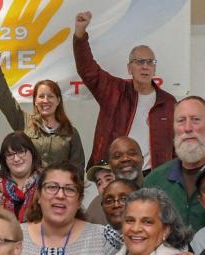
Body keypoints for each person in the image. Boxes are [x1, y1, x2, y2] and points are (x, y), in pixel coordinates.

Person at [73, 10, 175, 169]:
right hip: (115, 172)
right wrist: (80, 35)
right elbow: (88, 70)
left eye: (150, 62)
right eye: (139, 62)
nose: (145, 66)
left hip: (153, 176)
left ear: (155, 69)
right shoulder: (114, 91)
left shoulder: (168, 102)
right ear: (129, 68)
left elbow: (175, 144)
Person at [143, 96, 205, 232]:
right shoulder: (153, 181)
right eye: (181, 121)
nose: (188, 128)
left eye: (196, 120)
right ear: (173, 128)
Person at [0, 49, 85, 167]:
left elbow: (77, 170)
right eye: (41, 96)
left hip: (57, 185)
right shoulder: (24, 121)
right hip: (28, 185)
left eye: (50, 96)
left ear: (58, 101)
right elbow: (5, 98)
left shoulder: (71, 132)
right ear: (35, 102)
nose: (45, 100)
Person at [0, 133, 41, 223]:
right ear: (4, 160)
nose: (16, 159)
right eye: (10, 154)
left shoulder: (45, 184)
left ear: (32, 152)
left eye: (21, 152)